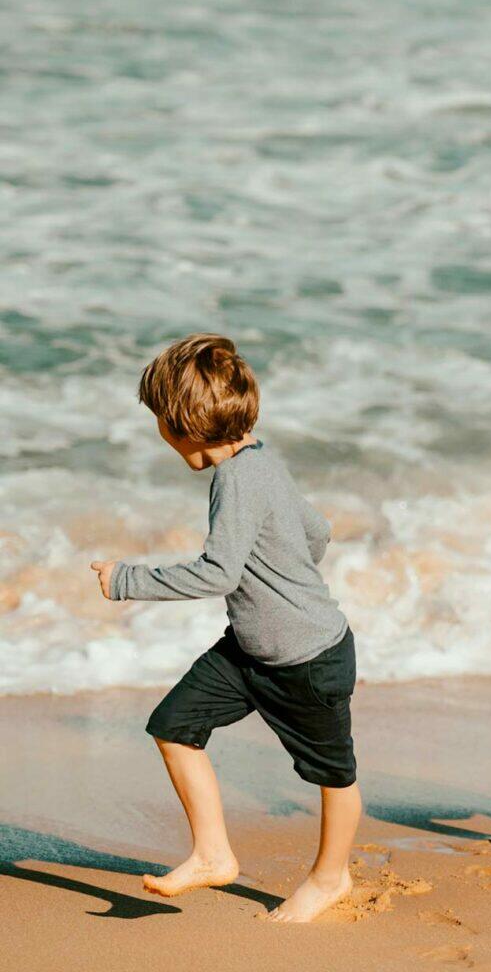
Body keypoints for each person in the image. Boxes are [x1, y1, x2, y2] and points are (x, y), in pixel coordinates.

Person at [91, 333, 360, 923]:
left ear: (181, 426)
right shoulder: (261, 459)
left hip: (308, 659)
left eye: (160, 421)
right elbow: (317, 531)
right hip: (249, 651)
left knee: (333, 775)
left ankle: (329, 878)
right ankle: (212, 855)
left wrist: (127, 579)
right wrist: (286, 572)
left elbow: (218, 572)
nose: (160, 432)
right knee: (173, 726)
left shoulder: (235, 480)